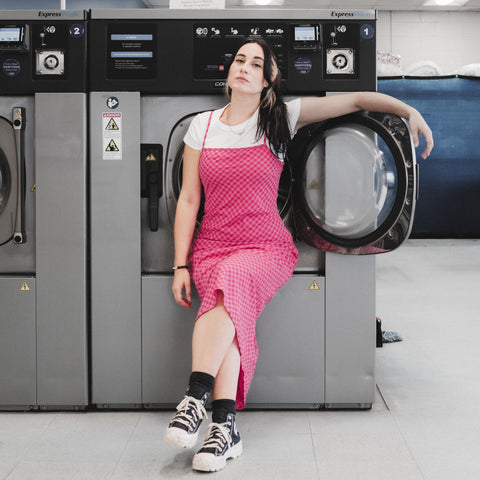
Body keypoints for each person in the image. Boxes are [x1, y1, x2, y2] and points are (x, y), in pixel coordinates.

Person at [164, 38, 433, 473]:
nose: (245, 68)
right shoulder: (203, 126)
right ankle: (223, 428)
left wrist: (408, 111)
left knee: (229, 286)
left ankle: (195, 396)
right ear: (228, 72)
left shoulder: (280, 117)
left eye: (256, 64)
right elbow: (189, 199)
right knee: (225, 302)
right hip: (212, 245)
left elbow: (358, 99)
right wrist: (180, 264)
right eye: (239, 60)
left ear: (268, 80)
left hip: (265, 245)